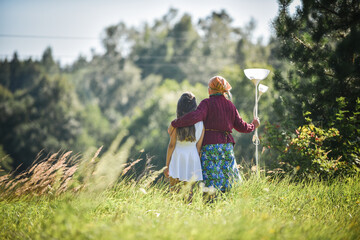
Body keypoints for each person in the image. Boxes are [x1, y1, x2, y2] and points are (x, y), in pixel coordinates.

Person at [170, 76, 260, 193]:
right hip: (226, 147)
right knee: (228, 177)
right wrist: (253, 125)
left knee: (211, 180)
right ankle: (228, 201)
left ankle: (211, 202)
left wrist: (175, 123)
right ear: (223, 91)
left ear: (210, 90)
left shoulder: (206, 104)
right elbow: (242, 127)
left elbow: (194, 117)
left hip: (210, 147)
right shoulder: (230, 106)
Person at [164, 92, 205, 191]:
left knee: (174, 190)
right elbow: (198, 147)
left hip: (177, 157)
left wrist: (167, 166)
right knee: (189, 192)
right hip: (192, 157)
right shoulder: (201, 124)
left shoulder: (176, 124)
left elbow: (171, 145)